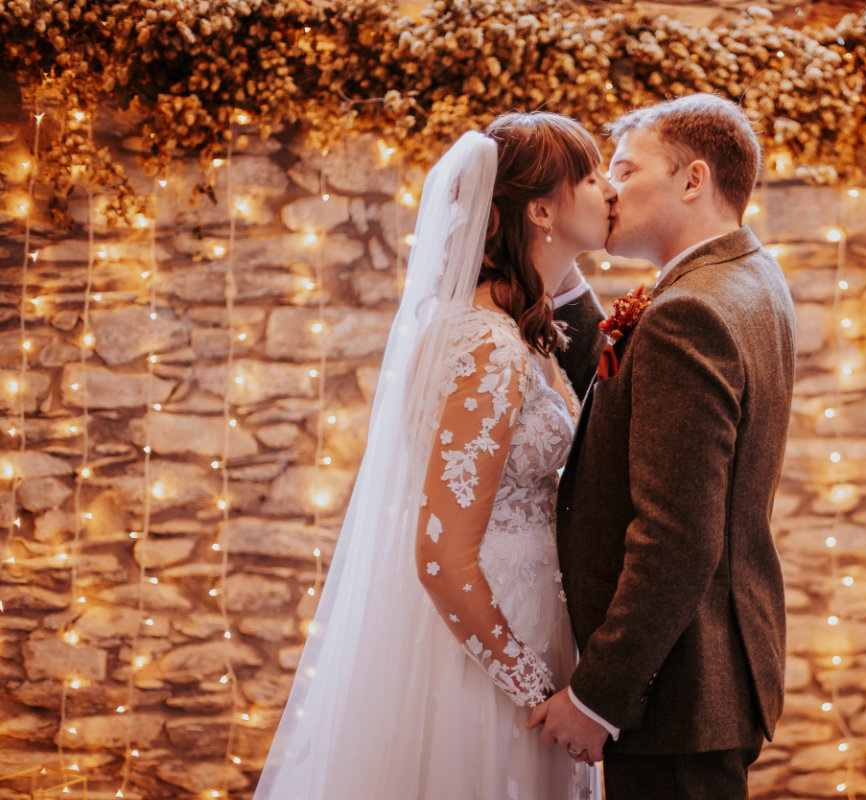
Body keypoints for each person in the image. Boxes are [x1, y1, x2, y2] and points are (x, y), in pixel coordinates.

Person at [254, 112, 614, 799]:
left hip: (534, 618)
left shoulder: (521, 330)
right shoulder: (487, 344)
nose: (610, 191)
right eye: (591, 177)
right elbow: (441, 555)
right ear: (541, 209)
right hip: (489, 653)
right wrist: (535, 690)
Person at [531, 94, 796, 799]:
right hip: (703, 677)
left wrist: (598, 697)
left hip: (676, 691)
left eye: (625, 166)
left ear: (693, 179)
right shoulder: (744, 275)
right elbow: (632, 396)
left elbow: (677, 538)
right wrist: (555, 269)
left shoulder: (690, 312)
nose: (611, 188)